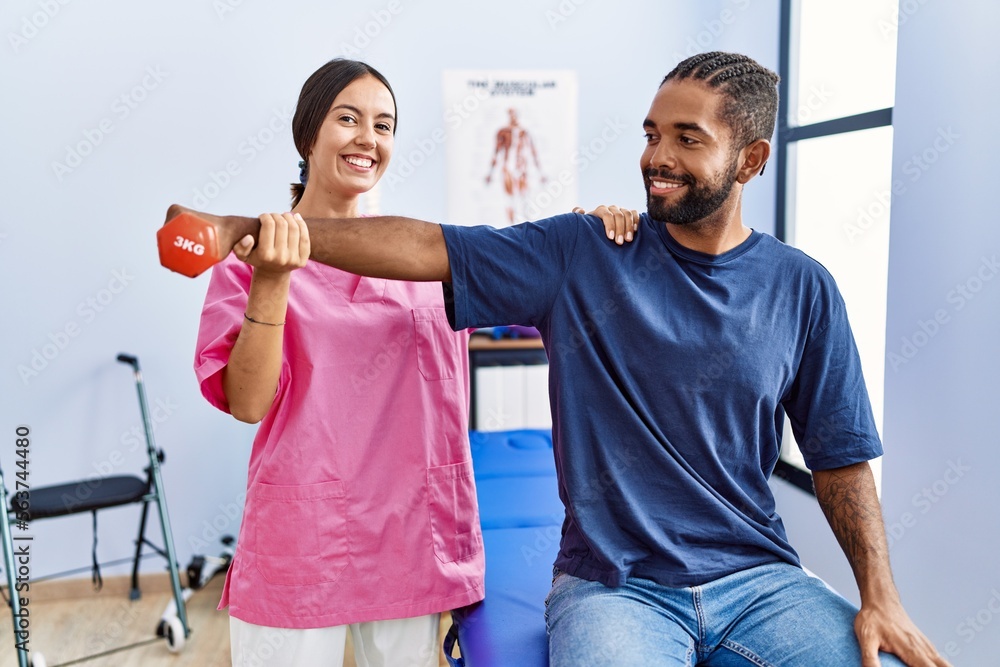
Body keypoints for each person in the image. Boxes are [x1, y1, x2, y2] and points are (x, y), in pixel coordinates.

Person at [181, 52, 949, 666]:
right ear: (307, 133)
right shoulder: (583, 250)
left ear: (750, 160)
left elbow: (842, 459)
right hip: (609, 586)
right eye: (652, 133)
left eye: (687, 139)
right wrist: (248, 234)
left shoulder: (802, 286)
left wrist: (880, 593)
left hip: (748, 577)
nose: (657, 156)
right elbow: (425, 247)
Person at [192, 57, 630, 667]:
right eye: (348, 119)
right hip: (304, 538)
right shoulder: (249, 259)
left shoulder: (424, 260)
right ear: (307, 135)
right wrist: (273, 280)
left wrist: (587, 238)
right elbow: (247, 402)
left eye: (384, 124)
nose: (368, 138)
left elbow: (549, 281)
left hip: (409, 535)